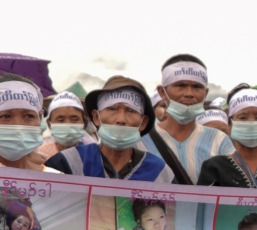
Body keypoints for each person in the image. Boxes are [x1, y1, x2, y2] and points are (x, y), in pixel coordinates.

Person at [46, 78, 175, 182]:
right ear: (96, 117)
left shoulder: (160, 172)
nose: (121, 119)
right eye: (112, 109)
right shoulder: (66, 163)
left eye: (131, 110)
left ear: (143, 123)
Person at [144, 54, 233, 182]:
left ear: (205, 93)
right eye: (181, 85)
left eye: (197, 87)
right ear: (162, 92)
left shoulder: (219, 141)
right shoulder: (141, 139)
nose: (189, 94)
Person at [38, 91, 92, 160]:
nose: (68, 124)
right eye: (61, 120)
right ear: (49, 124)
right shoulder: (41, 155)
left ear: (83, 123)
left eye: (74, 119)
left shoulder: (93, 155)